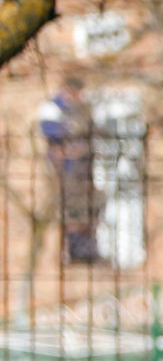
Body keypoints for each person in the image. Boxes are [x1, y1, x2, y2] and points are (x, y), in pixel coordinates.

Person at [37, 77, 101, 263]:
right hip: (64, 170)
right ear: (68, 90)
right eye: (78, 93)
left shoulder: (81, 109)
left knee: (87, 210)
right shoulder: (52, 108)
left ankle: (85, 251)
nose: (80, 97)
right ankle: (73, 252)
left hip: (83, 171)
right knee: (70, 212)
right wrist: (74, 141)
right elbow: (56, 135)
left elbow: (90, 134)